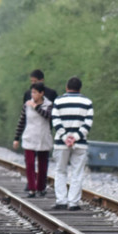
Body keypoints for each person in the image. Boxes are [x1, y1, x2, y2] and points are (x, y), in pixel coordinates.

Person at [51, 77, 93, 211]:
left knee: (60, 170)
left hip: (61, 143)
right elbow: (88, 123)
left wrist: (65, 137)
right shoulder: (87, 102)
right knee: (77, 172)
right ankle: (73, 202)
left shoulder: (58, 101)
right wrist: (75, 137)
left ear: (66, 87)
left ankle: (61, 201)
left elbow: (55, 121)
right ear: (80, 88)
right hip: (80, 143)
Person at [13, 82, 54, 197]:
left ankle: (41, 187)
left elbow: (48, 116)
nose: (33, 95)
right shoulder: (27, 105)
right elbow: (21, 121)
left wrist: (36, 107)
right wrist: (16, 138)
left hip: (43, 137)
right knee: (30, 164)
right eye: (32, 92)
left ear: (42, 93)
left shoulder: (49, 105)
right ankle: (32, 188)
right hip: (29, 136)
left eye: (35, 92)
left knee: (42, 164)